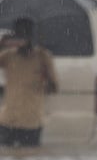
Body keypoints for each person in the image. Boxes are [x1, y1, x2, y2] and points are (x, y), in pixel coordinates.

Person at [0, 18, 59, 148]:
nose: (22, 39)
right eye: (19, 34)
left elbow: (54, 88)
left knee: (30, 156)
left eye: (25, 34)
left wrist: (46, 78)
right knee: (7, 157)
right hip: (8, 120)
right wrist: (2, 43)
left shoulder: (43, 57)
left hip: (31, 122)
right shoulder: (8, 56)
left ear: (31, 37)